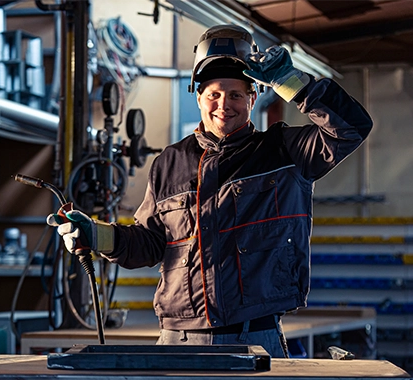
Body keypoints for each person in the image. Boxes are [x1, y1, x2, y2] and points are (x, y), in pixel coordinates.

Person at [47, 24, 373, 358]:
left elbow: (352, 128)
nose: (223, 105)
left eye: (235, 95)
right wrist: (95, 235)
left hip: (255, 339)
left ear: (253, 97)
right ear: (199, 97)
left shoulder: (285, 151)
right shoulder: (170, 162)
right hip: (178, 340)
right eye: (214, 94)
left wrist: (289, 81)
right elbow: (148, 244)